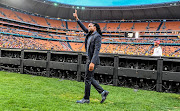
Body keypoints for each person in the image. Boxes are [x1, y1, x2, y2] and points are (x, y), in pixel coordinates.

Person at [73, 9, 109, 104]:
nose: (88, 27)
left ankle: (86, 99)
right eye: (88, 26)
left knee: (87, 79)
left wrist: (92, 62)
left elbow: (97, 50)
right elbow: (83, 28)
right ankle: (103, 92)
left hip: (93, 60)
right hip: (90, 59)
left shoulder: (97, 36)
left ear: (95, 27)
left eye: (90, 26)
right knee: (89, 78)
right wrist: (77, 19)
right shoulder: (89, 34)